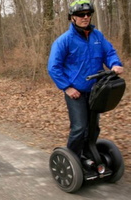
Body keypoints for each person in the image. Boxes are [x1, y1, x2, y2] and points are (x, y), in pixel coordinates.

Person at [47, 0, 124, 159]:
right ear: (72, 17)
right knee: (79, 127)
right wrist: (67, 88)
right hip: (76, 92)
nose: (86, 17)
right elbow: (53, 67)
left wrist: (115, 64)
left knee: (93, 128)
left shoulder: (98, 36)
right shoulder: (64, 40)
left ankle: (88, 153)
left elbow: (109, 53)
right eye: (81, 14)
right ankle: (72, 158)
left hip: (96, 90)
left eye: (89, 14)